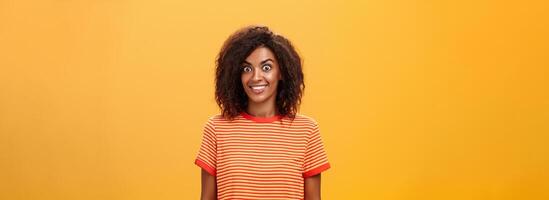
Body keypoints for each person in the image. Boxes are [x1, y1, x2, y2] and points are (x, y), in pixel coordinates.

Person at [195, 25, 330, 200]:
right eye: (246, 69)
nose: (256, 77)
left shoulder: (306, 131)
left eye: (266, 67)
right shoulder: (216, 129)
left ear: (281, 72)